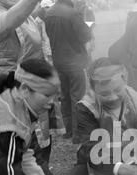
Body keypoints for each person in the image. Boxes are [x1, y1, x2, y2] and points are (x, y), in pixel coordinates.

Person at [0, 0, 65, 163]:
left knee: (43, 141)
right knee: (29, 146)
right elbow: (5, 24)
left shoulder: (19, 12)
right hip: (18, 94)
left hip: (35, 88)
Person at [45, 0, 92, 143]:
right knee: (77, 97)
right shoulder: (73, 14)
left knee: (64, 96)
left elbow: (49, 34)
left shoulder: (49, 13)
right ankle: (78, 134)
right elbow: (85, 36)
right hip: (75, 62)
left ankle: (67, 130)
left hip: (59, 61)